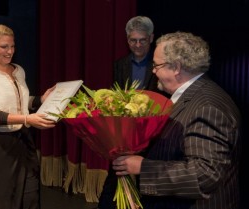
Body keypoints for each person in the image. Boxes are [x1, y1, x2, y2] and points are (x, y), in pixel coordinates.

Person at [112, 31, 241, 209]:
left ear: (176, 67)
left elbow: (205, 175)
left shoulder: (207, 107)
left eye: (157, 65)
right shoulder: (193, 95)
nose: (153, 71)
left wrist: (144, 167)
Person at [0, 24, 56, 209]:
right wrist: (26, 119)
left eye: (12, 46)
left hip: (23, 141)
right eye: (4, 47)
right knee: (0, 201)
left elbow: (20, 102)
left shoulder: (18, 70)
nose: (10, 51)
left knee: (30, 198)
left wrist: (41, 99)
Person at [97, 16, 166, 209]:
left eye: (142, 40)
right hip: (125, 136)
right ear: (127, 39)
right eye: (132, 40)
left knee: (147, 189)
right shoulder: (120, 64)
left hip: (153, 136)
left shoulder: (160, 64)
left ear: (151, 38)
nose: (137, 45)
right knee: (112, 188)